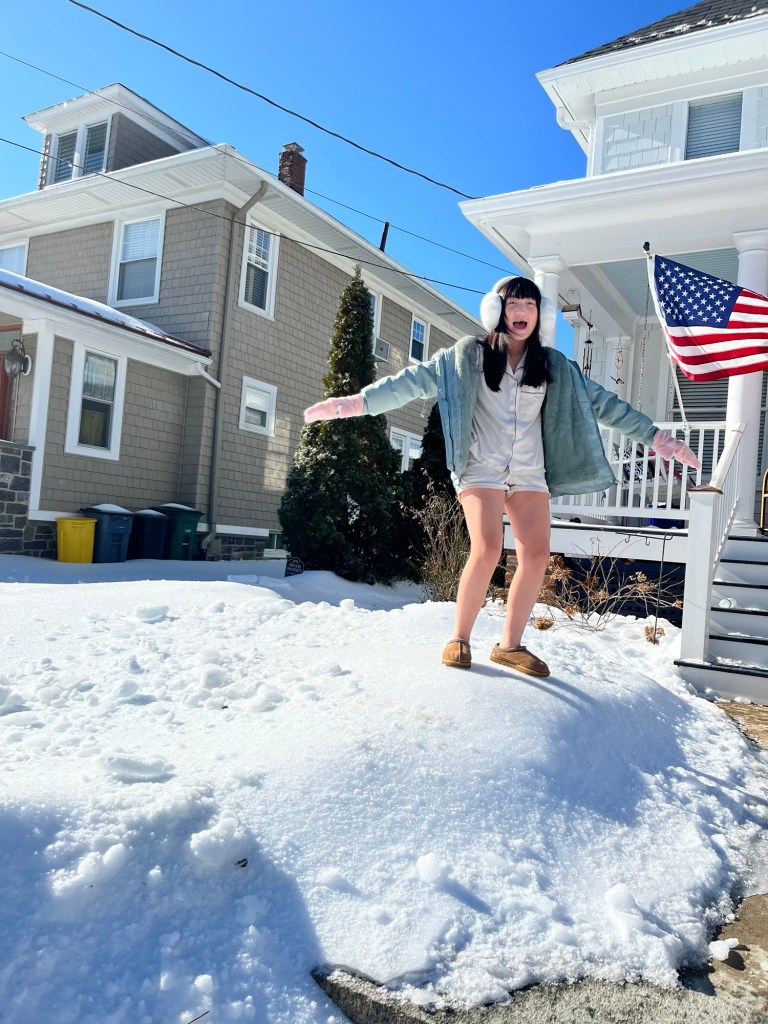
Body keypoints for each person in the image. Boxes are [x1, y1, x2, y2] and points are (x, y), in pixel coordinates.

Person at [304, 276, 700, 679]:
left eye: (530, 305)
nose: (521, 312)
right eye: (513, 304)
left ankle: (510, 645)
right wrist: (356, 403)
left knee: (537, 554)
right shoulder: (467, 357)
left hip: (529, 472)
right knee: (488, 546)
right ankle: (459, 638)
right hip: (482, 467)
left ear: (540, 314)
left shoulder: (554, 366)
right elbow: (411, 382)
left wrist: (659, 439)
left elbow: (605, 404)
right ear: (497, 310)